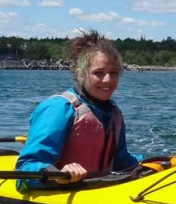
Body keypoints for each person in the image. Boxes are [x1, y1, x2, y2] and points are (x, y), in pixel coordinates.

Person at [15, 29, 142, 191]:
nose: (108, 80)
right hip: (59, 192)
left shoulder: (114, 113)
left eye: (114, 73)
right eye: (98, 73)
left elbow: (121, 161)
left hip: (100, 190)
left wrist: (150, 164)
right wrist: (57, 174)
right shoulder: (58, 109)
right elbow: (25, 169)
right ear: (80, 74)